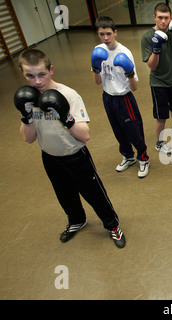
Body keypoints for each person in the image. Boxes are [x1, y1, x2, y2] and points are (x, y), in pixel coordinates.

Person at [16, 49, 126, 248]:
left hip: (76, 156)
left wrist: (65, 117)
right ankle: (77, 220)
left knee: (94, 194)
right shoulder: (28, 99)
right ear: (23, 74)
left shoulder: (68, 95)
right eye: (30, 76)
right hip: (50, 157)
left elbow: (85, 135)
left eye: (41, 74)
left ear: (51, 70)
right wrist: (26, 116)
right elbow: (28, 138)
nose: (37, 81)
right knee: (65, 195)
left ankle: (112, 225)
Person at [91, 16, 149, 178]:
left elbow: (135, 87)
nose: (106, 38)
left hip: (124, 99)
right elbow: (97, 82)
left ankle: (143, 159)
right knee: (118, 131)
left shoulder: (125, 53)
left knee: (134, 130)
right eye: (102, 34)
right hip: (108, 97)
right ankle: (128, 156)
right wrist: (95, 67)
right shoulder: (98, 52)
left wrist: (129, 73)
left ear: (115, 32)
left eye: (108, 33)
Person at [141, 2, 172, 156]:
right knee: (161, 115)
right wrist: (156, 48)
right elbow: (152, 66)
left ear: (171, 18)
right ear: (154, 17)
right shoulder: (147, 37)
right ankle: (159, 143)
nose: (163, 21)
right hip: (158, 83)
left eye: (166, 18)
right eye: (160, 18)